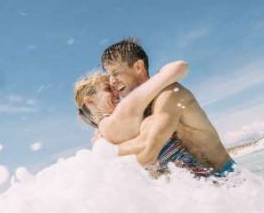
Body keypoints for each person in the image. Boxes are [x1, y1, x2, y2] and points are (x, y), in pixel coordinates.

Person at [100, 38, 235, 178]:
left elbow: (149, 152)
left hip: (226, 179)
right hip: (199, 189)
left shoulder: (170, 94)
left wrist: (101, 163)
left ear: (138, 67)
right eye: (109, 76)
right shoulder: (140, 112)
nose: (112, 81)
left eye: (115, 73)